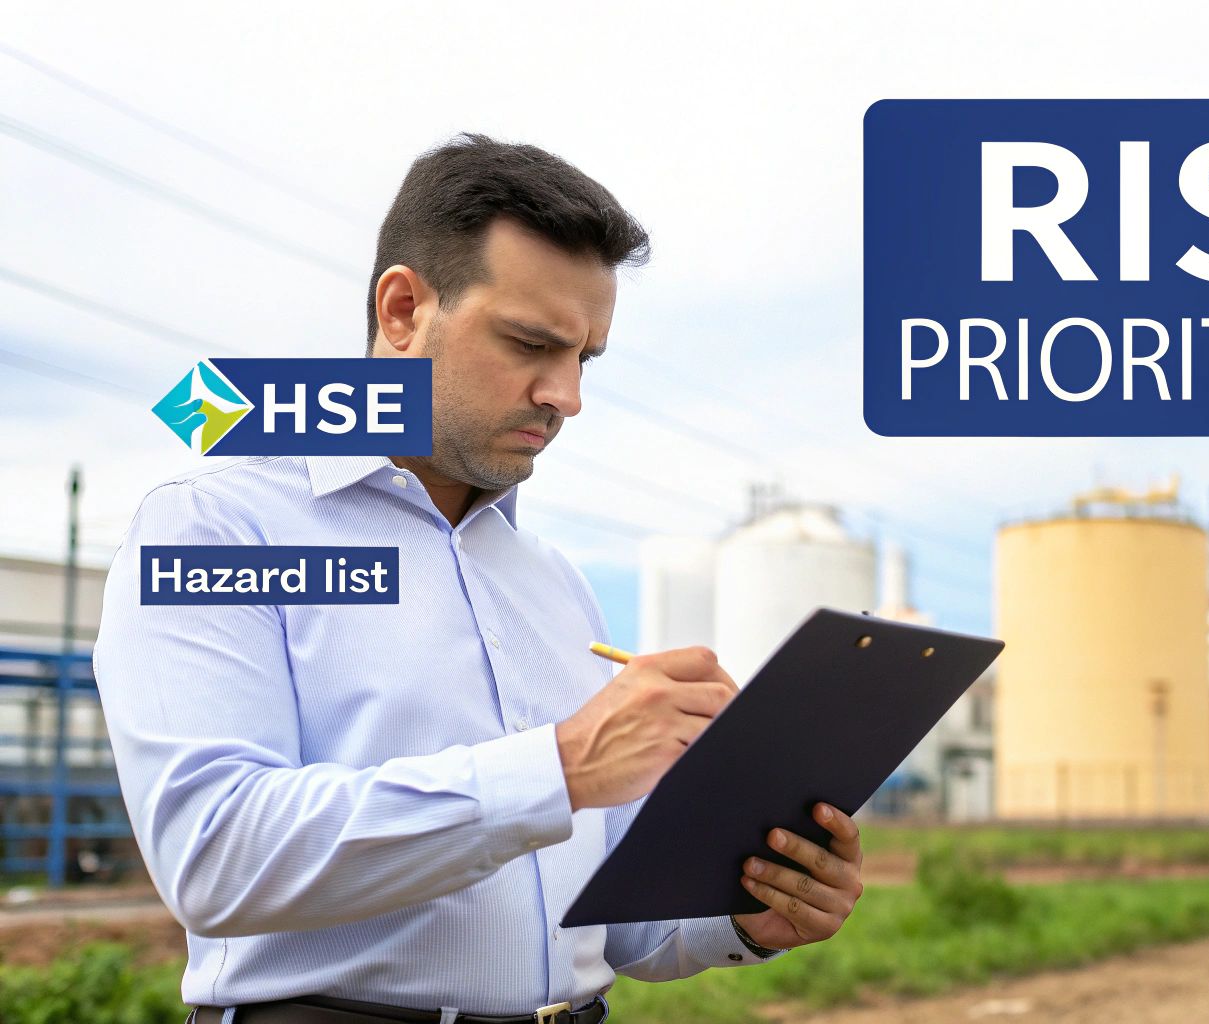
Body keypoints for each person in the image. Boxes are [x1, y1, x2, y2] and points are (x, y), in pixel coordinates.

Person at [94, 133, 864, 1024]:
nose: (565, 395)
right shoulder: (217, 527)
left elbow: (617, 933)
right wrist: (563, 765)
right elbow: (215, 855)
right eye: (531, 344)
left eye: (585, 358)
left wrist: (753, 908)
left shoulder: (553, 583)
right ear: (401, 309)